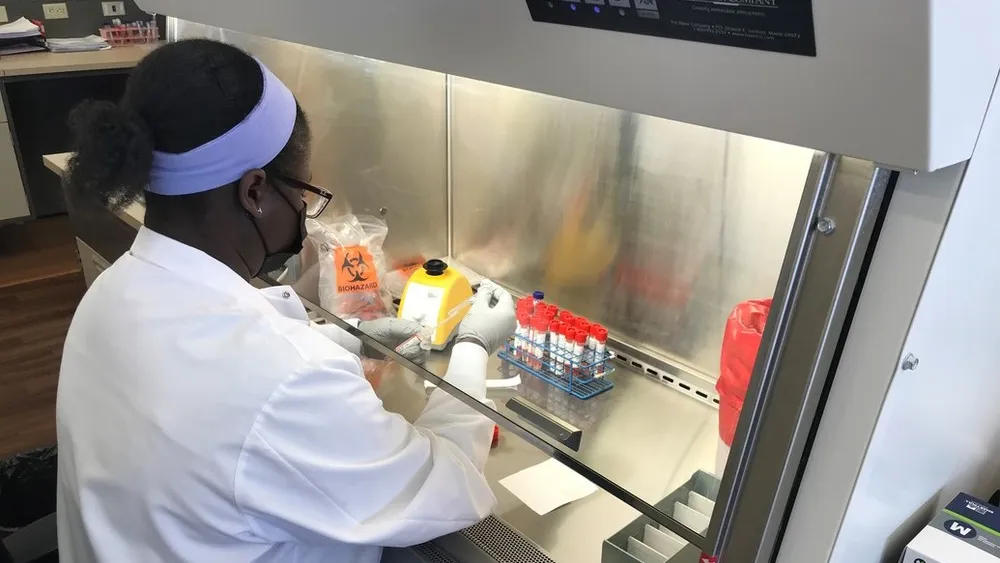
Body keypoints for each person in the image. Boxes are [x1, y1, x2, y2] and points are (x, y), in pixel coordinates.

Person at [56, 39, 516, 562]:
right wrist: (475, 345)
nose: (304, 205)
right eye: (302, 189)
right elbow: (447, 487)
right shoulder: (286, 384)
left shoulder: (107, 296)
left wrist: (341, 339)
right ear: (254, 191)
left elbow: (221, 348)